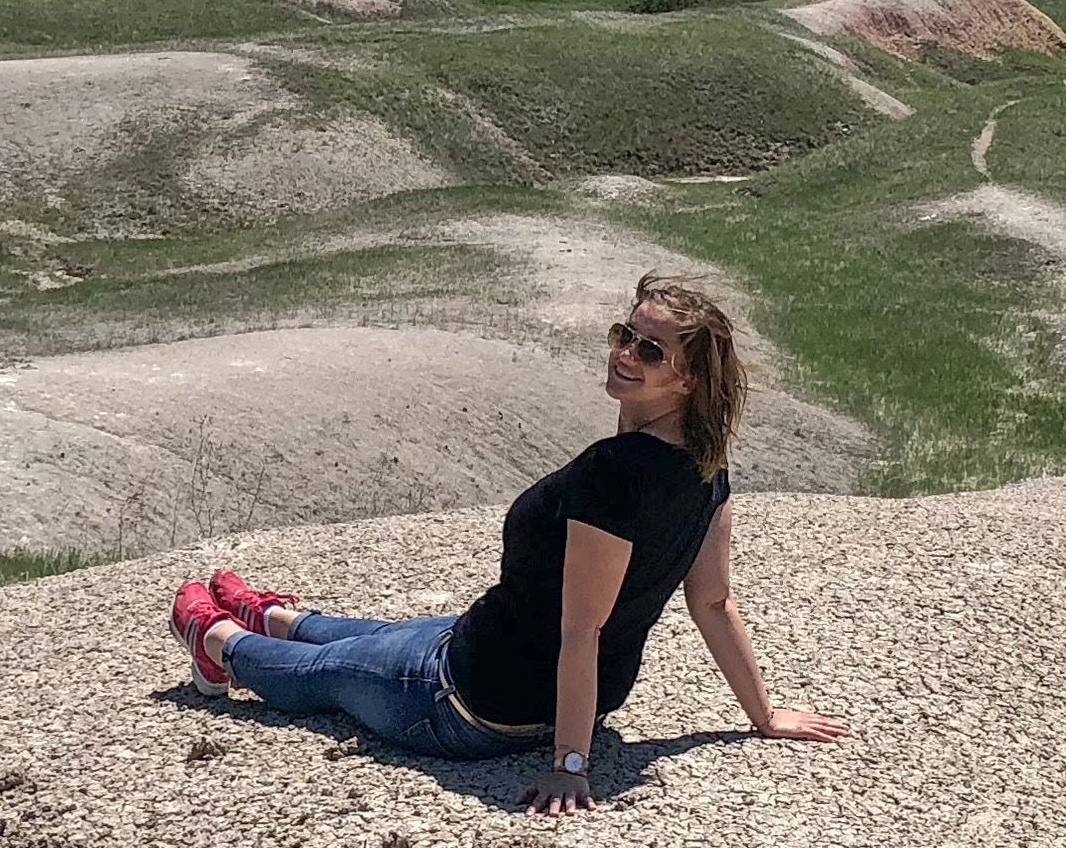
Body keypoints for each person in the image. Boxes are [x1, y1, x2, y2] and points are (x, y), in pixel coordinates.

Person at [170, 274, 848, 814]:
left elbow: (582, 629)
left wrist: (571, 766)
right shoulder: (707, 468)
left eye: (649, 351)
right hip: (509, 663)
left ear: (688, 380)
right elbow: (714, 601)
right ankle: (278, 617)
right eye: (625, 334)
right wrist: (763, 715)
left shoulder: (613, 476)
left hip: (473, 702)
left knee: (332, 676)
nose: (623, 354)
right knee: (391, 634)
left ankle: (219, 642)